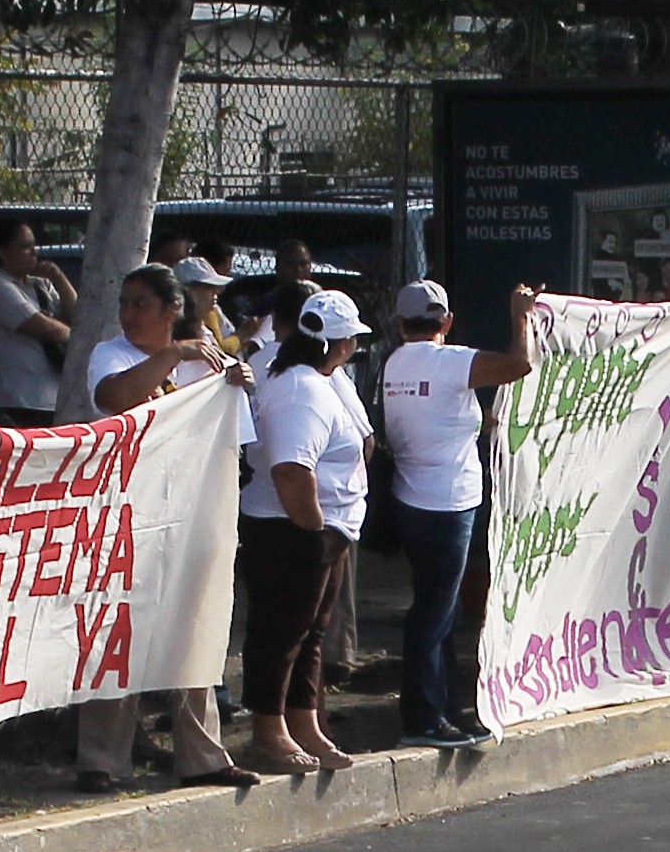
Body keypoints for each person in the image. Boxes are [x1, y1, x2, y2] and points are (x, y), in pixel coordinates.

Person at [73, 265, 260, 793]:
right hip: (129, 514)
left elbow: (232, 441)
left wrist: (234, 384)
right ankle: (102, 759)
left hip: (193, 509)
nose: (129, 314)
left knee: (194, 629)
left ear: (173, 309)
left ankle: (201, 755)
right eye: (125, 303)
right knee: (118, 632)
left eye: (142, 304)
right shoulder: (112, 354)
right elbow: (115, 399)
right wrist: (174, 354)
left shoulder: (209, 362)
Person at [376, 277, 535, 746]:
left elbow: (430, 415)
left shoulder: (395, 363)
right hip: (447, 503)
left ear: (400, 323)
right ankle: (424, 718)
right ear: (446, 322)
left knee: (438, 609)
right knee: (434, 613)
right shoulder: (449, 361)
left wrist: (475, 422)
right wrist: (520, 318)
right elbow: (519, 364)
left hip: (411, 498)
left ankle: (443, 708)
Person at [236, 287, 373, 772]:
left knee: (310, 633)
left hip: (322, 529)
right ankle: (269, 730)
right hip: (292, 530)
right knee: (281, 632)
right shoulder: (302, 390)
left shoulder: (313, 380)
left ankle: (303, 721)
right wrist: (314, 530)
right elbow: (292, 470)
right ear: (341, 344)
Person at [0, 220, 74, 425]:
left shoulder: (39, 285)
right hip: (18, 400)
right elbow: (45, 328)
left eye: (34, 245)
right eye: (25, 247)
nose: (34, 252)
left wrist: (58, 277)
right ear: (3, 252)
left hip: (52, 398)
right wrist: (79, 337)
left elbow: (80, 315)